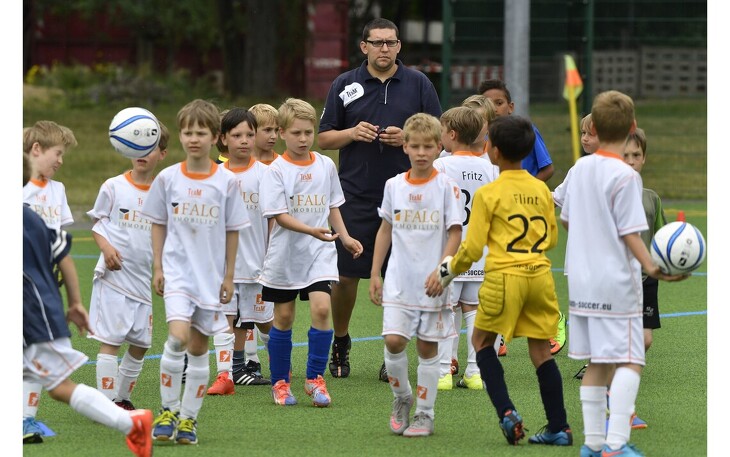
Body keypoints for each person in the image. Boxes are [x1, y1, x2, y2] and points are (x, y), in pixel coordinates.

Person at [559, 91, 685, 457]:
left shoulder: (580, 168)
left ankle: (593, 444)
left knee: (599, 362)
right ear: (632, 127)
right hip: (616, 283)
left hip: (581, 281)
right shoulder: (626, 177)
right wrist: (652, 267)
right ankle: (615, 443)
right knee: (631, 359)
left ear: (595, 128)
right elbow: (631, 233)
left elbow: (566, 218)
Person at [436, 115, 572, 446]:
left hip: (503, 278)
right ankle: (559, 426)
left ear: (493, 150)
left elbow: (472, 248)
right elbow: (552, 238)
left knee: (481, 342)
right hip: (540, 277)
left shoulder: (490, 193)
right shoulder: (541, 190)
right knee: (541, 352)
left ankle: (507, 412)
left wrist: (445, 272)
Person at [318, 17, 443, 378]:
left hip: (407, 197)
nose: (384, 48)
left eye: (390, 42)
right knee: (345, 276)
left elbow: (439, 137)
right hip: (355, 195)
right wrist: (351, 133)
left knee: (399, 278)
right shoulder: (345, 83)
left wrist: (406, 138)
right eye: (377, 42)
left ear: (399, 46)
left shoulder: (419, 83)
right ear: (364, 47)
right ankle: (341, 341)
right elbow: (323, 138)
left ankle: (393, 354)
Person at [23, 153, 153, 456]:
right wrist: (75, 302)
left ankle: (130, 422)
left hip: (31, 311)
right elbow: (62, 255)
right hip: (34, 308)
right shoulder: (28, 215)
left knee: (58, 385)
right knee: (51, 383)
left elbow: (61, 255)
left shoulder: (25, 217)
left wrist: (75, 303)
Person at [141, 99, 250, 445]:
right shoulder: (167, 178)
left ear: (215, 137)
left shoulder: (226, 182)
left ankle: (188, 419)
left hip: (211, 278)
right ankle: (168, 410)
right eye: (188, 132)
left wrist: (229, 276)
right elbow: (158, 223)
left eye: (201, 132)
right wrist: (158, 266)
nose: (193, 138)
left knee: (200, 347)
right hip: (177, 274)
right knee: (178, 337)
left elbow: (233, 230)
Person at [259, 98, 363, 407]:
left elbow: (332, 206)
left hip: (320, 253)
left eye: (308, 132)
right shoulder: (275, 171)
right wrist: (311, 230)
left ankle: (314, 379)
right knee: (283, 317)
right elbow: (279, 216)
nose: (304, 139)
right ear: (282, 133)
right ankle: (280, 382)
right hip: (285, 256)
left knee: (321, 310)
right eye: (296, 133)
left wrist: (345, 237)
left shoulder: (325, 165)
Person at [369, 112, 462, 437]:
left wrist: (443, 273)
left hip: (433, 283)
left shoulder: (447, 187)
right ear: (405, 146)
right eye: (416, 146)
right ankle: (402, 397)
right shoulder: (394, 185)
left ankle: (425, 414)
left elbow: (455, 233)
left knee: (426, 347)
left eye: (428, 146)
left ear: (439, 147)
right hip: (399, 281)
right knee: (394, 341)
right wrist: (375, 273)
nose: (422, 152)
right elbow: (385, 229)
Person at [87, 121, 169, 409]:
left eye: (150, 147)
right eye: (137, 145)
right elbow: (98, 223)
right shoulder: (113, 186)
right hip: (115, 277)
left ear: (162, 154)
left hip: (142, 280)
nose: (142, 152)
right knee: (112, 339)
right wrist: (106, 247)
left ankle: (121, 398)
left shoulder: (164, 192)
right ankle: (108, 403)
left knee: (141, 343)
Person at [206, 107, 273, 394]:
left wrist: (272, 255)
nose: (244, 141)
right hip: (223, 267)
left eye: (249, 134)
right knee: (225, 319)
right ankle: (225, 376)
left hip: (259, 264)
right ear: (223, 139)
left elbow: (273, 219)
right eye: (236, 135)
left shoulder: (267, 174)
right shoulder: (214, 176)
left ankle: (280, 365)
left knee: (266, 322)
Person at [432, 106, 499, 392]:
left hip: (447, 253)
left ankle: (442, 372)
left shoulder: (440, 167)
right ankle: (475, 372)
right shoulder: (491, 168)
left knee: (444, 309)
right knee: (474, 309)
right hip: (480, 252)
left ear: (452, 134)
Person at [22, 120, 78, 441]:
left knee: (35, 351)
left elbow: (61, 235)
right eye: (57, 153)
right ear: (36, 149)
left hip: (44, 284)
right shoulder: (19, 189)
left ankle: (25, 419)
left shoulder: (58, 190)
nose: (61, 160)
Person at [478, 79, 554, 182]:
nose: (494, 109)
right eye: (488, 105)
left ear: (510, 107)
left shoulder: (525, 130)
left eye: (499, 103)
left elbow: (548, 169)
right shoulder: (478, 137)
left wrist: (526, 188)